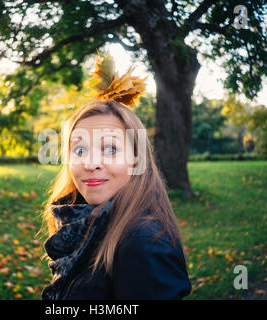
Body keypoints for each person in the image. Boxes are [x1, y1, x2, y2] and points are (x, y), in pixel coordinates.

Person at [40, 53, 191, 300]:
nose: (91, 164)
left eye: (110, 149)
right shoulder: (81, 221)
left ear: (135, 158)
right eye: (80, 149)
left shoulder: (143, 243)